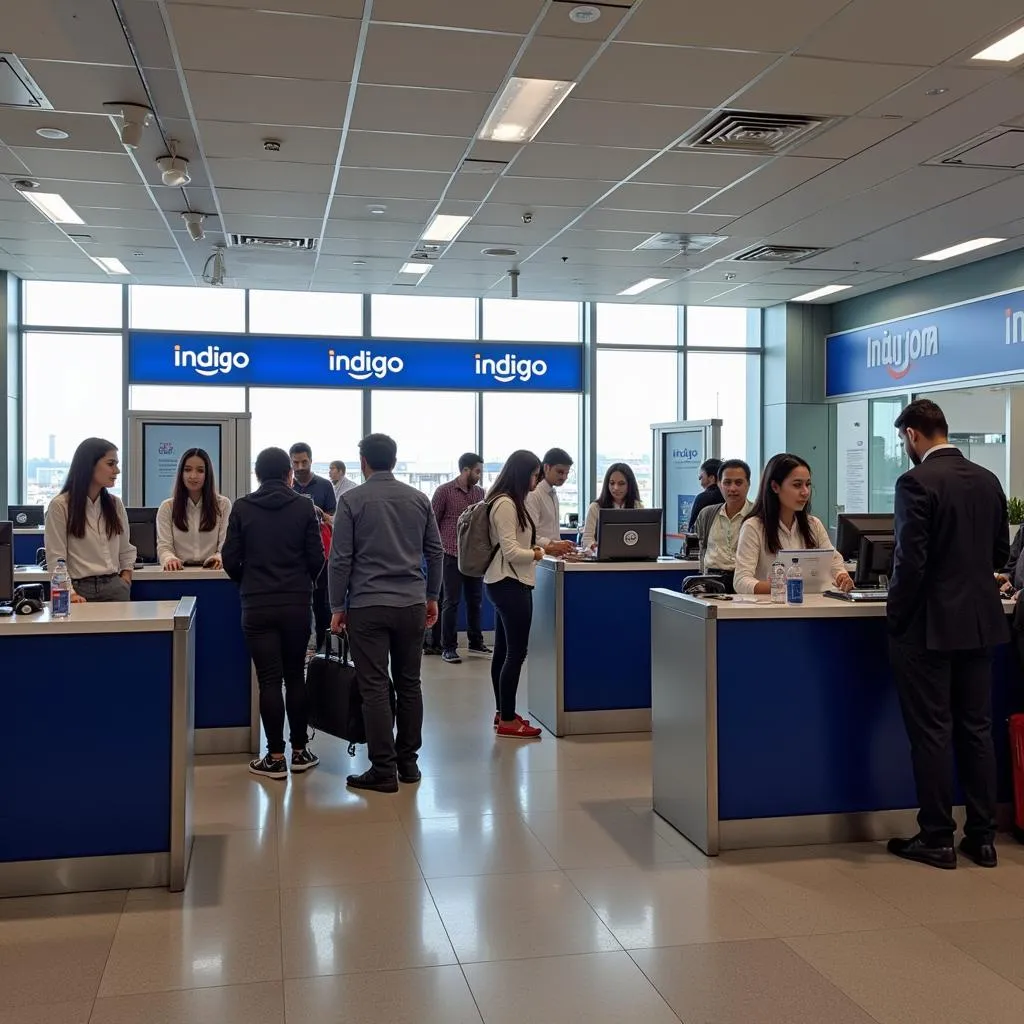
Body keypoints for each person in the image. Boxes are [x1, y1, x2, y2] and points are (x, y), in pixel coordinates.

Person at [886, 399, 1009, 870]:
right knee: (976, 730)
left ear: (914, 435)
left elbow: (909, 563)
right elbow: (998, 551)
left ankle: (937, 835)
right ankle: (982, 838)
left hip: (928, 628)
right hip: (980, 622)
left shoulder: (915, 482)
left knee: (932, 731)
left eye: (903, 440)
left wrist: (895, 617)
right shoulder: (987, 480)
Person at [329, 433, 443, 793]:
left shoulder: (351, 501)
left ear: (363, 462)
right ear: (393, 460)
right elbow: (436, 552)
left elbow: (340, 558)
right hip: (410, 604)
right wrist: (432, 596)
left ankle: (383, 769)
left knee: (375, 686)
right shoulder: (418, 499)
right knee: (410, 683)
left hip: (367, 605)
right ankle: (409, 764)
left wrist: (336, 606)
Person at [222, 446, 325, 779]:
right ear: (288, 474)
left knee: (268, 680)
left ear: (257, 475)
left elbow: (229, 559)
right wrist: (300, 583)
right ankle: (300, 751)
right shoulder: (304, 507)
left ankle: (275, 757)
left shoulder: (242, 507)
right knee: (295, 676)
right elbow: (317, 559)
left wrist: (248, 581)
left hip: (257, 604)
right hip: (296, 604)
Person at [485, 450, 569, 738]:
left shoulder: (509, 502)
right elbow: (511, 550)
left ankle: (503, 712)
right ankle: (508, 719)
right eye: (534, 474)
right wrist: (538, 552)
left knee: (504, 651)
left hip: (507, 582)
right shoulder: (506, 504)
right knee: (515, 653)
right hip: (510, 583)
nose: (536, 480)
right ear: (524, 474)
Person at [733, 453, 854, 596]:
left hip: (814, 607)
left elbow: (834, 561)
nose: (805, 492)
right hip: (772, 610)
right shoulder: (754, 527)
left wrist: (841, 576)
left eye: (808, 484)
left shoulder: (813, 524)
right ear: (775, 486)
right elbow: (740, 581)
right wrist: (779, 587)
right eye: (797, 485)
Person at [44, 437, 136, 603]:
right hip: (78, 589)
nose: (117, 470)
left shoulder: (115, 504)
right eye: (111, 464)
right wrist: (69, 594)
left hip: (114, 586)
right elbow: (56, 558)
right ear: (89, 465)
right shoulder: (60, 506)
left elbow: (125, 547)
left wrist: (126, 575)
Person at [431, 452, 489, 664]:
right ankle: (448, 647)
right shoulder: (444, 491)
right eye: (477, 471)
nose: (479, 475)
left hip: (472, 555)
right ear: (465, 470)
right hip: (450, 553)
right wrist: (435, 551)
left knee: (476, 600)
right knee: (451, 601)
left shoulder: (480, 493)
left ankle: (476, 641)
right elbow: (432, 523)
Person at [290, 442, 335, 650]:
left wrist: (319, 513)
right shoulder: (287, 485)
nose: (300, 467)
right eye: (296, 462)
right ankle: (300, 649)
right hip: (292, 554)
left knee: (322, 605)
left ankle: (322, 652)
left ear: (311, 460)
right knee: (297, 605)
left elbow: (334, 519)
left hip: (321, 553)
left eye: (304, 462)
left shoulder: (325, 485)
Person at [156, 447, 231, 570]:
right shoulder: (167, 507)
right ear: (181, 473)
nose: (193, 476)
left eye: (200, 471)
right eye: (187, 470)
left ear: (207, 475)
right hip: (179, 572)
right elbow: (164, 547)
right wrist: (169, 559)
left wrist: (219, 557)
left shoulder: (223, 505)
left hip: (212, 571)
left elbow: (225, 545)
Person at [692, 458, 753, 593]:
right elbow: (702, 548)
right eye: (727, 482)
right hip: (711, 582)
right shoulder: (707, 514)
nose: (732, 488)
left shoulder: (758, 516)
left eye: (738, 482)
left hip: (745, 582)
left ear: (748, 484)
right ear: (719, 484)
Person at [524, 447, 575, 555]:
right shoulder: (534, 494)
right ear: (546, 467)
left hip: (552, 558)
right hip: (538, 558)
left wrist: (561, 544)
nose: (564, 477)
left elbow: (552, 533)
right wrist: (553, 544)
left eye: (567, 473)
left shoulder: (553, 494)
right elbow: (530, 534)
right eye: (560, 472)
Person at [582, 463, 643, 550]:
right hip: (603, 560)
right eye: (612, 483)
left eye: (621, 483)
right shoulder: (595, 507)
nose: (616, 488)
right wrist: (594, 547)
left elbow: (643, 536)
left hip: (631, 557)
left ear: (629, 485)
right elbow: (587, 539)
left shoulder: (637, 506)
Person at [687, 458, 724, 531]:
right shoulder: (727, 497)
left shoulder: (702, 498)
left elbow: (692, 530)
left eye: (701, 477)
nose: (699, 479)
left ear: (711, 478)